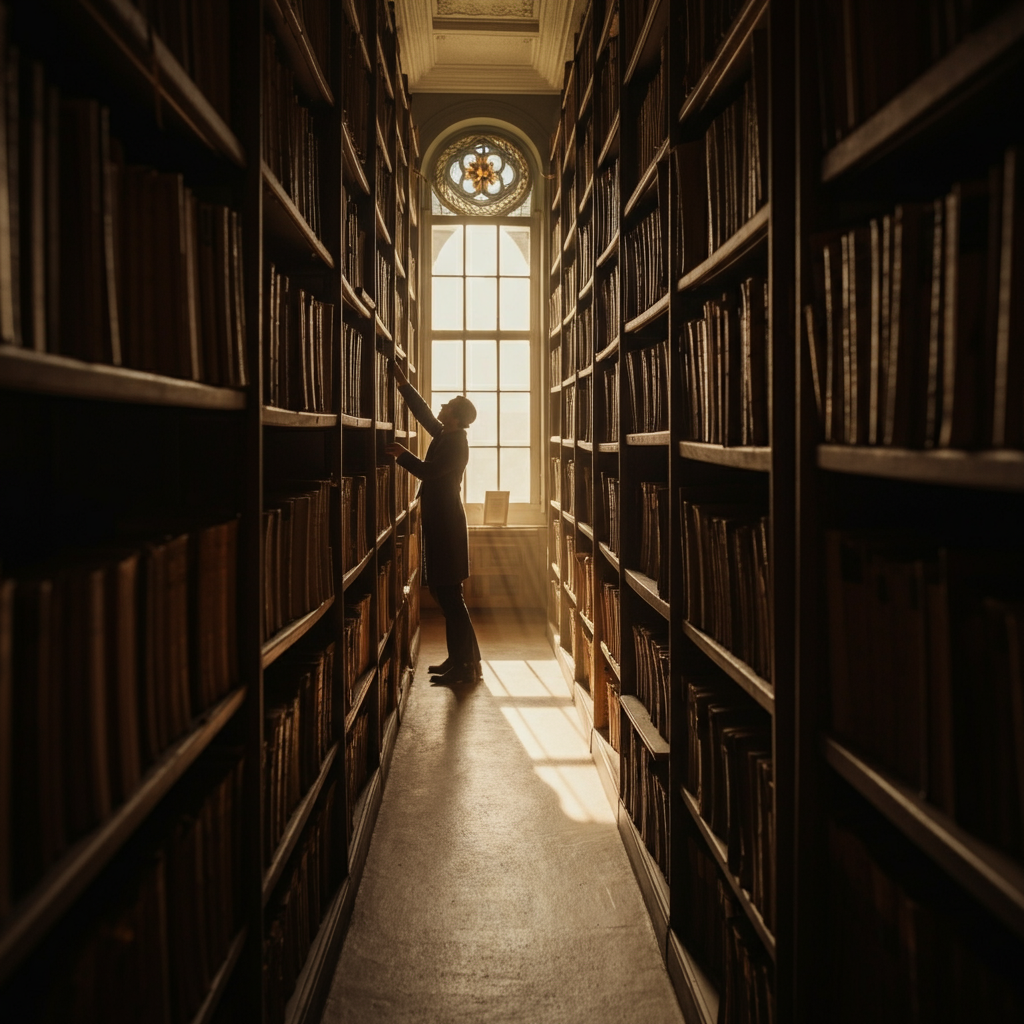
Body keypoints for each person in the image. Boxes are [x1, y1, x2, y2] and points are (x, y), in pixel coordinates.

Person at [384, 359, 481, 685]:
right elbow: (423, 412)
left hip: (448, 528)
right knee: (447, 596)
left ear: (455, 417)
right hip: (442, 525)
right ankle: (465, 661)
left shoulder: (456, 443)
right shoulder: (446, 434)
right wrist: (402, 384)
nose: (441, 406)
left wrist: (401, 455)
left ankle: (465, 668)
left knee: (450, 597)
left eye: (447, 405)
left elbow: (428, 472)